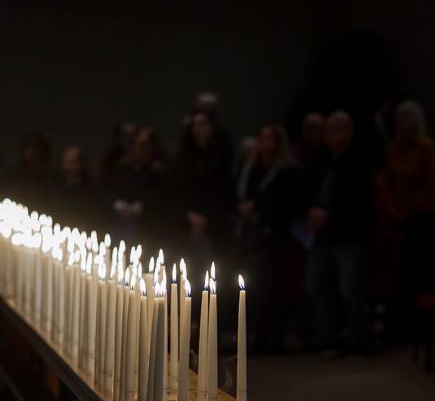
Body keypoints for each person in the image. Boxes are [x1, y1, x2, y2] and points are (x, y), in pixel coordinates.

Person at [305, 111, 373, 355]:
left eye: (337, 129)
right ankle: (326, 336)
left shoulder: (359, 160)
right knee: (316, 285)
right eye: (329, 130)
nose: (331, 134)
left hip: (348, 236)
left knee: (350, 289)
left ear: (348, 132)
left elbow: (359, 201)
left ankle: (357, 339)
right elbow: (310, 190)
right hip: (321, 236)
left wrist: (329, 214)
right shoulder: (321, 160)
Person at [233, 123, 301, 353]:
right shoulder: (252, 168)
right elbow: (240, 192)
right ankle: (257, 335)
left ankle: (274, 337)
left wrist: (260, 210)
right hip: (252, 234)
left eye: (269, 139)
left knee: (273, 286)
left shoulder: (287, 171)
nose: (264, 143)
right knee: (254, 286)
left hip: (275, 236)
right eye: (261, 138)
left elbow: (288, 203)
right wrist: (245, 208)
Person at [171, 110, 234, 258]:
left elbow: (222, 190)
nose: (198, 128)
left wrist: (206, 217)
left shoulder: (221, 157)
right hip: (186, 221)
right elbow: (177, 189)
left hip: (214, 221)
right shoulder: (184, 158)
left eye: (202, 124)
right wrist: (190, 214)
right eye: (195, 125)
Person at [375, 100, 435, 226]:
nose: (399, 122)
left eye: (404, 117)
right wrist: (391, 207)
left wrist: (408, 209)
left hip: (420, 215)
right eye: (397, 117)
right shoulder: (392, 148)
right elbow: (384, 179)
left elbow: (429, 184)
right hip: (393, 213)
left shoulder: (426, 148)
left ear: (416, 120)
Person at [109, 127, 168, 245]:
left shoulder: (158, 173)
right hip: (120, 224)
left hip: (148, 229)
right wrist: (119, 205)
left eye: (145, 145)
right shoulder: (124, 169)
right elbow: (110, 190)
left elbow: (162, 199)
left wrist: (139, 208)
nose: (140, 148)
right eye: (137, 144)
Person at [51, 146, 99, 229]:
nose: (67, 167)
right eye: (65, 162)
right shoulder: (55, 185)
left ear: (81, 165)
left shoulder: (90, 189)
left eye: (72, 163)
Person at [7, 130, 54, 211]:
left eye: (37, 149)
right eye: (30, 148)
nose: (33, 153)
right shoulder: (13, 178)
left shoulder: (52, 181)